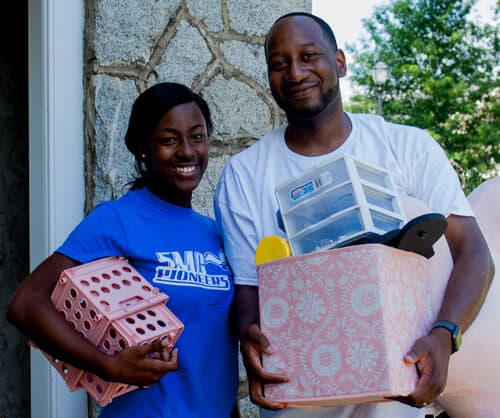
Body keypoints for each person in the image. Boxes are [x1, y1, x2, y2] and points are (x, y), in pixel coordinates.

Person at [214, 12, 494, 418]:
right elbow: (247, 289)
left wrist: (444, 336)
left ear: (340, 62)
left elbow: (475, 255)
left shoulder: (408, 148)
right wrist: (248, 335)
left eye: (309, 56)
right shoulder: (244, 174)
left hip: (397, 395)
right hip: (299, 394)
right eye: (279, 63)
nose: (295, 72)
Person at [7, 82, 239, 418]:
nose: (188, 151)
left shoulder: (215, 233)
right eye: (169, 140)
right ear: (140, 147)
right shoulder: (118, 219)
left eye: (198, 136)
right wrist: (107, 365)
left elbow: (215, 346)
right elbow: (26, 304)